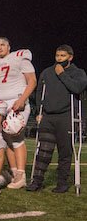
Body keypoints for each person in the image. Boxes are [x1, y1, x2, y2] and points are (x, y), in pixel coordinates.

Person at [28, 45, 87, 193]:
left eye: (62, 56)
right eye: (57, 56)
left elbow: (77, 88)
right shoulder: (47, 72)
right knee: (43, 151)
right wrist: (39, 109)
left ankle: (62, 184)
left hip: (66, 117)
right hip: (48, 116)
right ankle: (36, 182)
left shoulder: (78, 73)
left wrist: (62, 75)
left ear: (70, 57)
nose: (59, 59)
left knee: (65, 152)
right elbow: (39, 91)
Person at [0, 37, 36, 189]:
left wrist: (22, 99)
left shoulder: (20, 58)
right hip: (0, 104)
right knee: (6, 139)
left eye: (2, 45)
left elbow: (32, 80)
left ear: (9, 47)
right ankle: (15, 174)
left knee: (16, 135)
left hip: (16, 100)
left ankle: (21, 175)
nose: (0, 47)